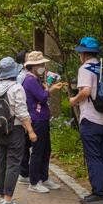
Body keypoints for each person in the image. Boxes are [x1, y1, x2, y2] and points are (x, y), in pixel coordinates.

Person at [0, 57, 38, 204]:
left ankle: (2, 196)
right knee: (13, 164)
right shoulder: (17, 88)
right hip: (15, 130)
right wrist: (30, 131)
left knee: (1, 163)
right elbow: (22, 112)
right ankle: (8, 200)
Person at [69, 36, 103, 204]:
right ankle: (102, 191)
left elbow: (86, 91)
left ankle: (99, 194)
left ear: (83, 53)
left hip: (91, 118)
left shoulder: (85, 68)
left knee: (93, 157)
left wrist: (74, 100)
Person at [18, 51, 65, 193]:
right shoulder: (30, 80)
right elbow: (42, 97)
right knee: (38, 151)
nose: (43, 66)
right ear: (32, 66)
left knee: (46, 150)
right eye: (40, 64)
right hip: (37, 120)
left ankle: (44, 178)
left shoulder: (35, 79)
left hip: (42, 119)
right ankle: (34, 182)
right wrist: (50, 90)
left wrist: (46, 89)